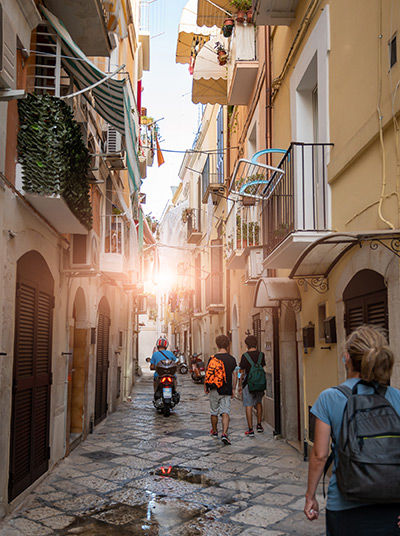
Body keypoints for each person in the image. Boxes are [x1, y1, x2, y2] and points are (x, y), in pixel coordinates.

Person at [304, 325, 400, 535]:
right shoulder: (396, 397)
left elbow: (320, 455)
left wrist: (310, 496)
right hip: (391, 502)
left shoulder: (329, 397)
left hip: (345, 504)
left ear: (346, 357)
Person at [204, 334, 237, 445]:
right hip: (226, 389)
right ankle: (224, 434)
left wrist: (206, 387)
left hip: (214, 389)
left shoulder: (212, 358)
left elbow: (208, 373)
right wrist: (233, 388)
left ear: (217, 345)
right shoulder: (232, 359)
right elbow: (234, 375)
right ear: (228, 345)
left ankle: (214, 431)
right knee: (225, 412)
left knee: (214, 411)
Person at [238, 335, 266, 436]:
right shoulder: (261, 355)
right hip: (259, 383)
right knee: (258, 403)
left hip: (248, 384)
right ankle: (259, 425)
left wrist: (239, 384)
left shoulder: (245, 356)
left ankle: (250, 429)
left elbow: (241, 371)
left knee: (248, 405)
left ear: (246, 345)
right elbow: (262, 367)